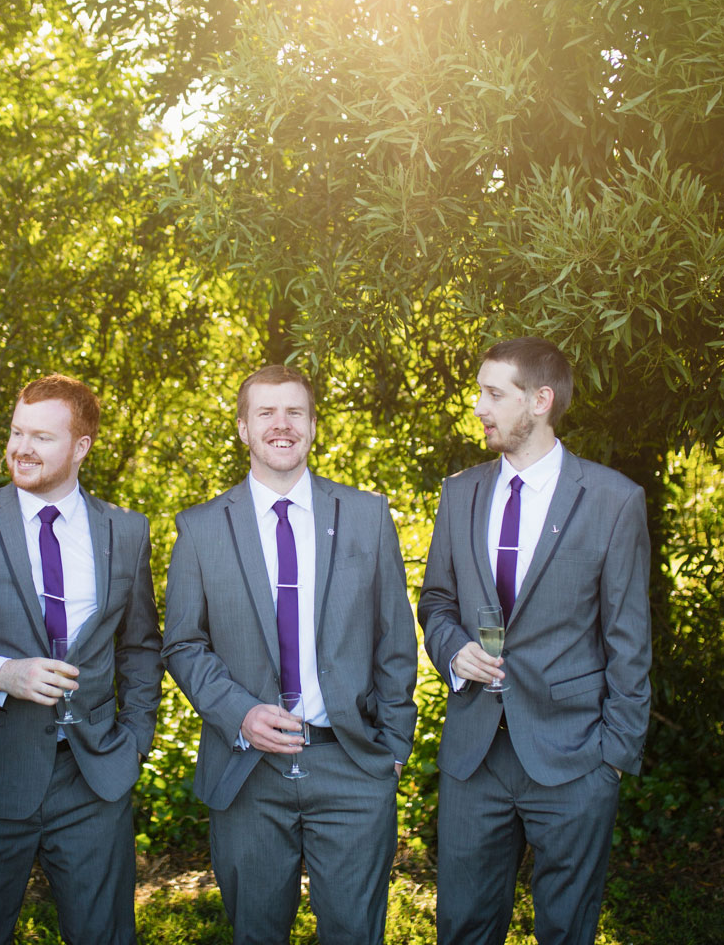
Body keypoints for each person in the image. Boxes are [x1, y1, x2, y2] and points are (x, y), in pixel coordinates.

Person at [163, 364, 418, 945]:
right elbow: (182, 642)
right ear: (243, 429)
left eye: (295, 412)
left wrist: (394, 749)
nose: (282, 424)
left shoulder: (366, 516)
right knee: (256, 934)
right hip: (247, 771)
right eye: (266, 413)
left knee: (356, 935)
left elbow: (396, 639)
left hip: (351, 764)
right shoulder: (201, 529)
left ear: (312, 426)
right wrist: (238, 712)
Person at [419, 337, 652, 945]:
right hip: (474, 758)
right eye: (480, 392)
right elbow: (437, 602)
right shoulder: (460, 492)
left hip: (576, 758)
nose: (479, 406)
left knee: (567, 930)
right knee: (464, 928)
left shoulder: (613, 500)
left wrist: (613, 758)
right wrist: (451, 651)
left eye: (494, 393)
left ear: (541, 400)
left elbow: (629, 639)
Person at [0, 374, 162, 945]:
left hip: (93, 774)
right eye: (16, 431)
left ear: (81, 446)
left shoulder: (125, 531)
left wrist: (135, 739)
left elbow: (141, 646)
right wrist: (0, 672)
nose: (21, 447)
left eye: (42, 437)